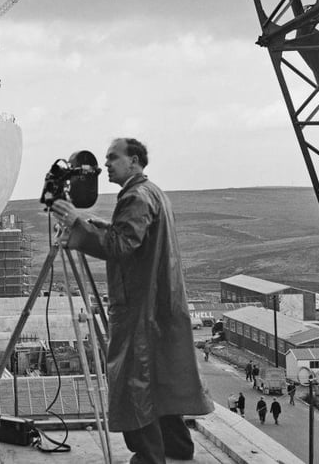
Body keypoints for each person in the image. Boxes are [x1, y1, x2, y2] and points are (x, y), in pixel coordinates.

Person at [52, 137, 214, 464]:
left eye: (114, 158)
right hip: (159, 303)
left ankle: (148, 456)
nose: (107, 164)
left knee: (133, 381)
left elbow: (120, 246)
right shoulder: (151, 192)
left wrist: (76, 224)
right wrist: (103, 226)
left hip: (141, 306)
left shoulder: (136, 197)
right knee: (158, 378)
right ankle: (177, 446)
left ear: (134, 161)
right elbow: (133, 236)